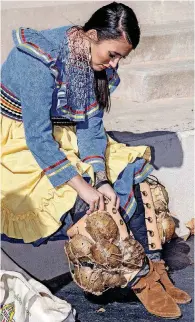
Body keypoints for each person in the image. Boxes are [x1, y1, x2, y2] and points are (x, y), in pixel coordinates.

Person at [1, 1, 191, 319]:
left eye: (121, 58)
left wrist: (100, 178)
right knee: (90, 207)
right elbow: (38, 139)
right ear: (91, 35)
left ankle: (156, 271)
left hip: (63, 138)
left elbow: (90, 131)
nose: (114, 65)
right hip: (17, 145)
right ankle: (141, 282)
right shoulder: (36, 59)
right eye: (112, 54)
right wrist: (86, 189)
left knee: (135, 181)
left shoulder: (89, 62)